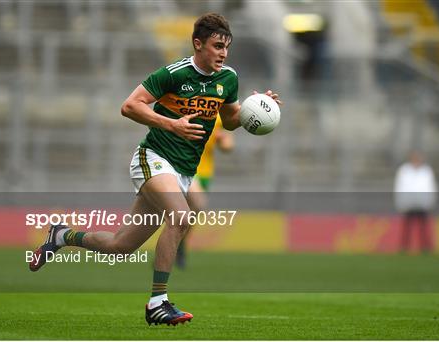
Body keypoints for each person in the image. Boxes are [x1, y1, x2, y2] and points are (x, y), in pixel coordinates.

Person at [28, 13, 282, 326]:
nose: (223, 53)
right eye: (217, 46)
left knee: (121, 246)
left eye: (226, 47)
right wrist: (171, 124)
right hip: (153, 157)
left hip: (183, 172)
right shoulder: (173, 74)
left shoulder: (228, 79)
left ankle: (62, 235)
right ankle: (158, 303)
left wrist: (256, 109)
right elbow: (130, 105)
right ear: (197, 43)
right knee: (182, 215)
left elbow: (229, 119)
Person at [177, 115, 234, 268]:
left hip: (205, 172)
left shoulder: (219, 116)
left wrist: (222, 139)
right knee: (197, 203)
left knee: (187, 215)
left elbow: (228, 146)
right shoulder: (188, 107)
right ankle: (175, 246)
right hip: (184, 166)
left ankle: (177, 246)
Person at [393, 150, 437, 253]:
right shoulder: (404, 170)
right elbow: (399, 186)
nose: (416, 160)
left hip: (422, 203)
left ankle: (426, 247)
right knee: (406, 227)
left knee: (424, 227)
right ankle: (404, 247)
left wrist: (431, 201)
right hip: (408, 202)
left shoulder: (426, 171)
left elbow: (431, 187)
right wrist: (400, 201)